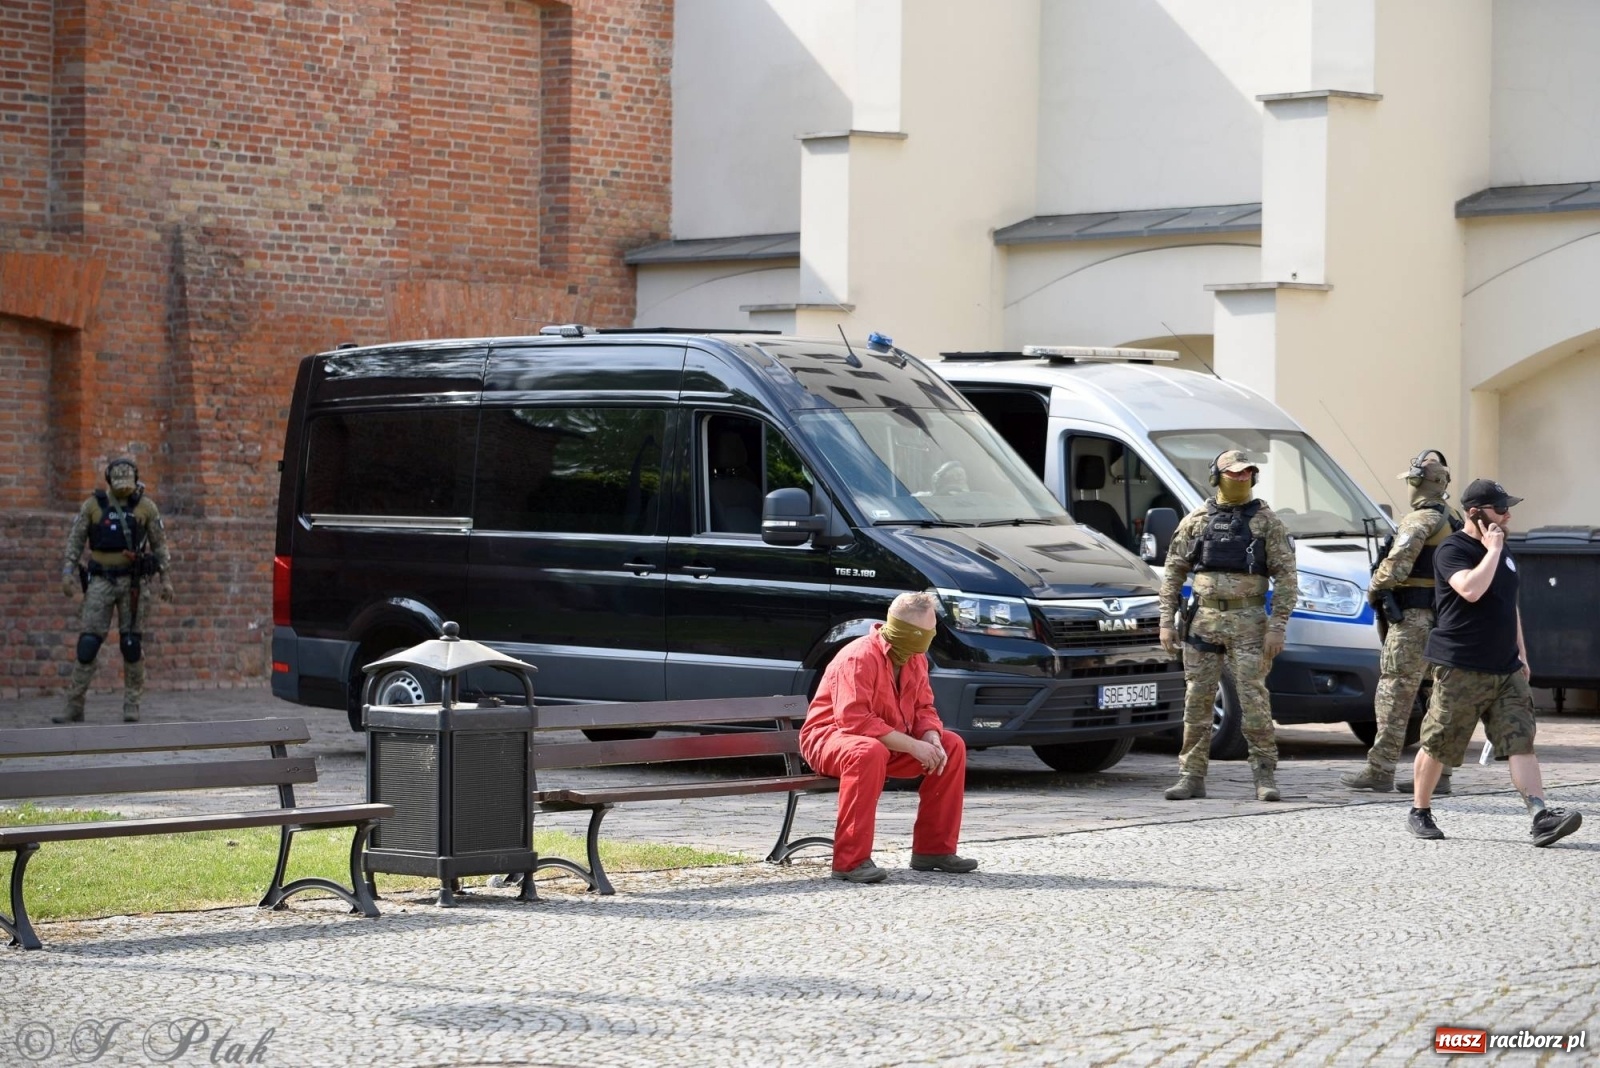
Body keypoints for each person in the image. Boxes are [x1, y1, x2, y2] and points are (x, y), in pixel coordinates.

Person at [1405, 479, 1580, 846]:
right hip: (1461, 665)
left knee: (1521, 740)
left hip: (1505, 668)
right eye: (1500, 509)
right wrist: (1493, 550)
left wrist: (1522, 654)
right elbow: (1470, 589)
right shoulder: (1453, 550)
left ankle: (1540, 816)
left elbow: (1507, 605)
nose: (1508, 514)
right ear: (1475, 513)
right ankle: (1420, 811)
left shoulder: (1503, 549)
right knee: (1440, 742)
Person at [799, 591, 976, 883]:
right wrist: (913, 746)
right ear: (912, 632)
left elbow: (923, 707)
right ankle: (850, 862)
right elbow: (854, 720)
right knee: (867, 751)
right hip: (830, 739)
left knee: (951, 744)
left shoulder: (915, 658)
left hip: (886, 741)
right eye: (929, 631)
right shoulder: (858, 657)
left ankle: (934, 850)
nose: (933, 635)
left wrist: (930, 737)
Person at [1158, 450, 1298, 802]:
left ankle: (1264, 776)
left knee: (1254, 700)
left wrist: (1277, 627)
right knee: (1197, 701)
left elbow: (1287, 578)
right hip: (1202, 623)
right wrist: (1166, 622)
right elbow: (1173, 570)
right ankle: (1191, 775)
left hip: (1250, 624)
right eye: (1233, 474)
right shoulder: (1196, 520)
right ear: (1216, 477)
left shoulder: (1268, 523)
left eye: (1247, 473)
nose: (1241, 479)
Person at [1342, 450, 1462, 794]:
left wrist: (1374, 586)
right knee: (1437, 695)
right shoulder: (1453, 518)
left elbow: (1396, 567)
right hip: (1444, 620)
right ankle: (1440, 773)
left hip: (1413, 621)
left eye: (1410, 481)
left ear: (1418, 484)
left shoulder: (1419, 520)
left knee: (1394, 693)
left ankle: (1380, 769)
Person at [55, 458, 174, 724]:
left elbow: (159, 545)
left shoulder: (146, 507)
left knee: (131, 644)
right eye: (118, 485)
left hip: (133, 584)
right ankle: (74, 704)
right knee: (88, 644)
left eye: (127, 485)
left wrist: (166, 579)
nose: (123, 490)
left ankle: (132, 704)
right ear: (109, 480)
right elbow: (75, 540)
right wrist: (67, 573)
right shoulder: (94, 506)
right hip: (101, 582)